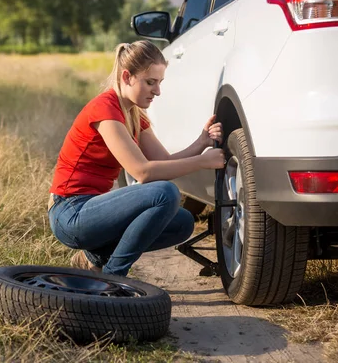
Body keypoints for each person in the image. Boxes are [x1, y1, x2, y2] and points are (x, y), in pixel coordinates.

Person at [47, 40, 225, 277]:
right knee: (166, 193)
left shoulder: (133, 114)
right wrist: (203, 162)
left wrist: (201, 143)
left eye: (160, 83)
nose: (157, 91)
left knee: (182, 222)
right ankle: (113, 276)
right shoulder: (105, 109)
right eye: (150, 82)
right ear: (127, 76)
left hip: (91, 209)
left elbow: (164, 162)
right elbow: (143, 173)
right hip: (69, 213)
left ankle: (94, 259)